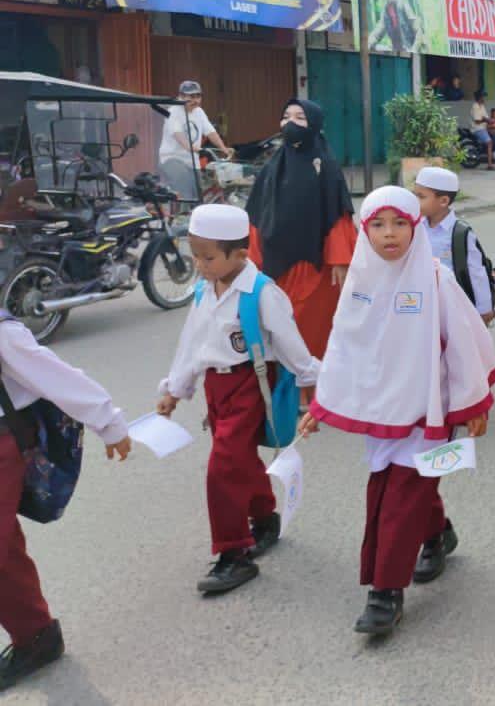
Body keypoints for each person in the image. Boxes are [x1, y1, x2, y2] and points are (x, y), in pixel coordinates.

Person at [301, 187, 495, 636]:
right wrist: (323, 404)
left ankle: (385, 591)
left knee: (396, 498)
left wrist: (472, 405)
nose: (389, 234)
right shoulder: (359, 283)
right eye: (378, 225)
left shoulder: (436, 279)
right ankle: (437, 534)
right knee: (399, 489)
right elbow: (345, 347)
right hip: (381, 413)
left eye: (400, 223)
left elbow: (465, 344)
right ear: (364, 230)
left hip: (428, 412)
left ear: (416, 226)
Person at [157, 204, 321, 594]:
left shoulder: (262, 293)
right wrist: (174, 390)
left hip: (250, 386)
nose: (200, 265)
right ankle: (264, 518)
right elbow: (191, 345)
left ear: (240, 254)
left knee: (223, 468)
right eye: (195, 256)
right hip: (215, 388)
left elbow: (292, 347)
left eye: (208, 257)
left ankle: (234, 553)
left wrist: (321, 390)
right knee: (241, 460)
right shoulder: (204, 289)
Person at [0, 313, 131, 691]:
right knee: (6, 551)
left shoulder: (4, 335)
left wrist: (109, 423)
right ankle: (35, 636)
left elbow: (57, 377)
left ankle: (35, 636)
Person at [245, 100, 357, 359]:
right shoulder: (272, 166)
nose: (290, 123)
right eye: (286, 116)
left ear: (314, 124)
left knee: (311, 336)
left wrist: (340, 260)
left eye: (300, 117)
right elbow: (257, 215)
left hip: (315, 268)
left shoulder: (326, 166)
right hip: (274, 267)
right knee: (277, 334)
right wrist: (251, 260)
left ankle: (315, 383)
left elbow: (337, 214)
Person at [413, 167, 495, 328]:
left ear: (443, 201)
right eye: (415, 195)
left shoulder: (460, 233)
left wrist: (484, 309)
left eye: (421, 197)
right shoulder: (416, 227)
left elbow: (476, 272)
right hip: (421, 301)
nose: (415, 201)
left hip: (451, 304)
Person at [159, 80, 230, 202]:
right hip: (172, 159)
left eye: (198, 96)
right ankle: (181, 212)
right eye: (191, 97)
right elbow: (177, 134)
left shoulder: (199, 112)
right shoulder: (173, 111)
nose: (196, 100)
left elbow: (210, 132)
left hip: (192, 161)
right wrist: (190, 147)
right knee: (185, 193)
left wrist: (224, 148)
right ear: (181, 96)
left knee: (197, 197)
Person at [470, 90, 495, 170]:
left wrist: (491, 121)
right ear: (479, 98)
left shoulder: (482, 106)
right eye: (483, 97)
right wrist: (486, 120)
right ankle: (489, 165)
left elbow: (486, 117)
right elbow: (477, 121)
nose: (484, 98)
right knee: (490, 142)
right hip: (478, 129)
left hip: (483, 127)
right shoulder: (475, 107)